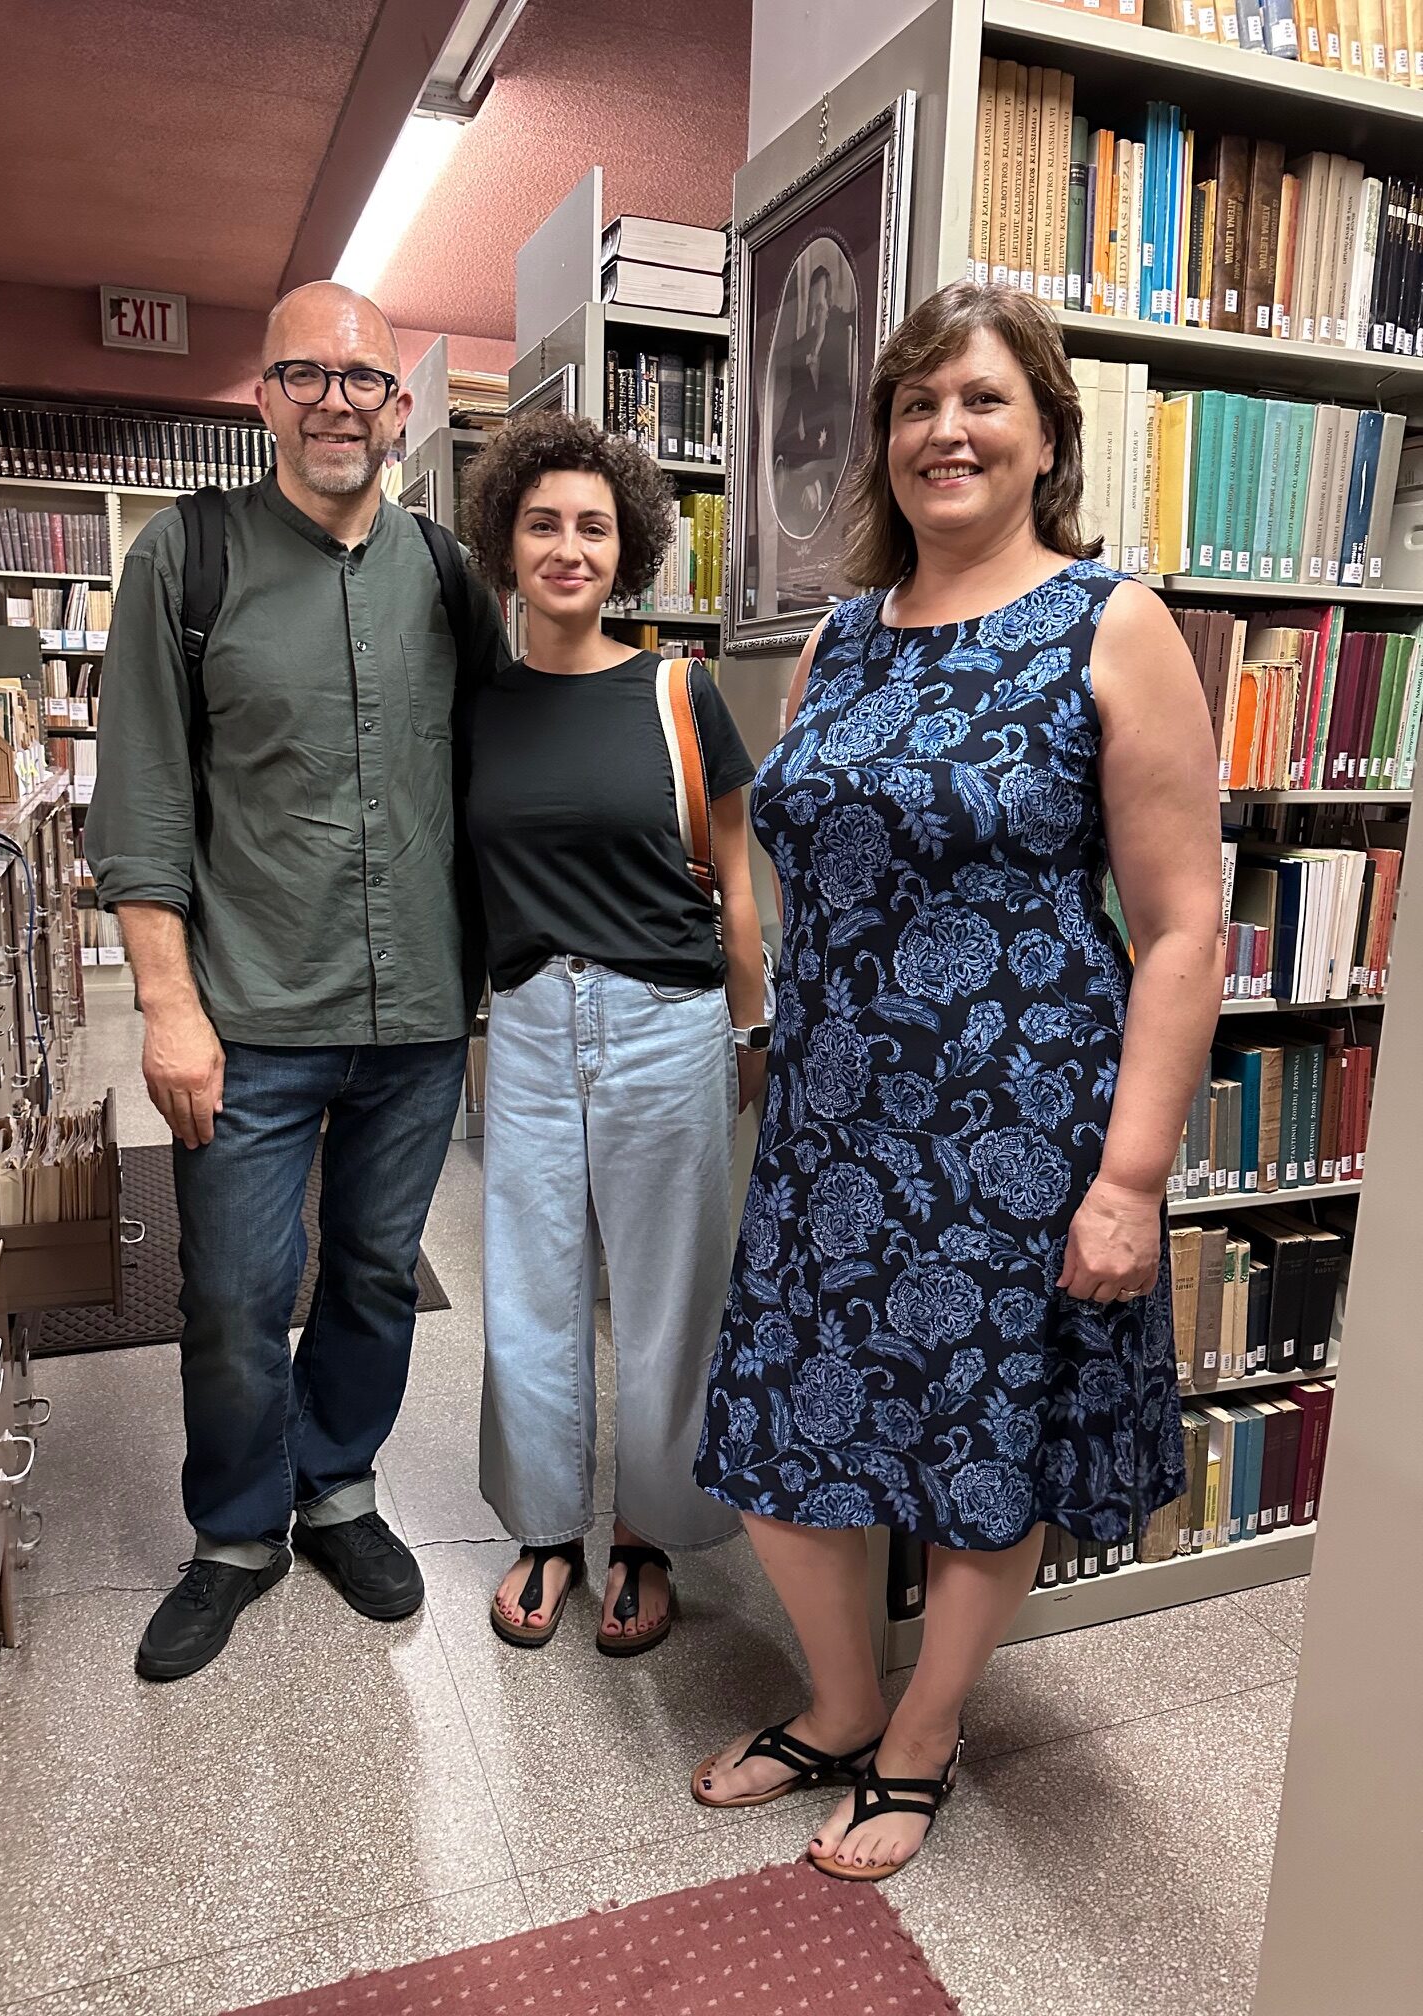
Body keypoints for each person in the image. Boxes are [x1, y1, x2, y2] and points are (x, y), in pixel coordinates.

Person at [692, 281, 1224, 1878]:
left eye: (984, 400)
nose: (946, 430)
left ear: (1047, 432)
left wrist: (1128, 1178)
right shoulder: (841, 641)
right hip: (831, 1121)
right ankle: (843, 1700)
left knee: (982, 1448)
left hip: (1021, 1130)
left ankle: (924, 1735)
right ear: (885, 440)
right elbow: (799, 860)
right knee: (784, 1433)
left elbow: (1185, 926)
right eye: (917, 404)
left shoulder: (1107, 622)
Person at [87, 281, 509, 1682]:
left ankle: (337, 1490)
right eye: (304, 374)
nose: (338, 399)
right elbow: (141, 801)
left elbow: (506, 773)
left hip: (418, 1019)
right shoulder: (186, 560)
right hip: (248, 1017)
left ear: (402, 408)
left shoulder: (448, 576)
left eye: (365, 378)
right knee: (233, 1287)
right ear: (261, 397)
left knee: (380, 1274)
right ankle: (233, 1534)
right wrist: (165, 1006)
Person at [461, 412, 767, 1656]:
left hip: (667, 1024)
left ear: (629, 543)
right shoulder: (477, 706)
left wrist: (753, 1034)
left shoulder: (677, 692)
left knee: (665, 1298)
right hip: (528, 1024)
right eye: (543, 523)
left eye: (593, 525)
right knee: (528, 1293)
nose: (568, 547)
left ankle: (646, 1532)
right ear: (508, 542)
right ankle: (544, 1528)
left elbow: (739, 885)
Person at [772, 262, 855, 533]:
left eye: (820, 309)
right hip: (809, 457)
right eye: (811, 311)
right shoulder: (800, 352)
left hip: (839, 461)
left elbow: (848, 429)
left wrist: (819, 483)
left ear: (829, 306)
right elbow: (792, 410)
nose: (815, 318)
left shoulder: (841, 339)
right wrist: (778, 457)